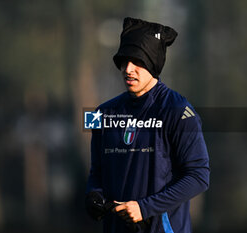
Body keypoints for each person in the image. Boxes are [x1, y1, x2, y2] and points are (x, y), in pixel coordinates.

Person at [85, 17, 210, 233]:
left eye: (137, 61)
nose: (128, 69)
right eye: (123, 61)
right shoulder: (101, 113)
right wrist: (94, 195)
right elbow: (97, 171)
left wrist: (145, 208)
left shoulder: (179, 110)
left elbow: (199, 176)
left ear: (153, 62)